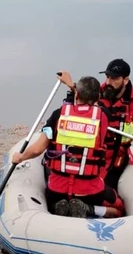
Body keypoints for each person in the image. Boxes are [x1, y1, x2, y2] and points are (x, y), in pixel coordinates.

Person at [11, 76, 124, 219]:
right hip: (90, 191)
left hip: (58, 189)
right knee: (119, 208)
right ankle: (89, 209)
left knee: (52, 199)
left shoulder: (58, 115)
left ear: (77, 94)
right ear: (97, 98)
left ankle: (56, 208)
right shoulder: (104, 117)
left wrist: (20, 157)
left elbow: (37, 149)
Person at [57, 59, 133, 190]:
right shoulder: (98, 93)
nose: (108, 82)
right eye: (107, 77)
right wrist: (70, 84)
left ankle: (100, 205)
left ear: (125, 80)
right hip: (93, 152)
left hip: (116, 158)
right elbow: (81, 94)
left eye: (114, 78)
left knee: (101, 188)